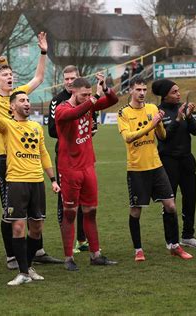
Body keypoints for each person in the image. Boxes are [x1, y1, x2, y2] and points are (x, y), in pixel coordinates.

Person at [0, 32, 61, 268]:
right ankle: (11, 255)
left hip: (28, 159)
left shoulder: (20, 96)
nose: (10, 77)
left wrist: (43, 52)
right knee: (10, 211)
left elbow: (39, 77)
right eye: (5, 75)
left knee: (34, 211)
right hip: (6, 159)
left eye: (11, 74)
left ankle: (36, 251)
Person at [0, 77, 60, 286]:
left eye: (28, 100)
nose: (27, 103)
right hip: (16, 182)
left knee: (36, 228)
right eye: (22, 100)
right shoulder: (7, 126)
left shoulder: (36, 127)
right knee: (18, 227)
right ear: (12, 107)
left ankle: (27, 268)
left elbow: (43, 153)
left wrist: (52, 179)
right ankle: (22, 272)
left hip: (37, 182)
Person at [117, 78, 193, 261]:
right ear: (131, 91)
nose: (142, 93)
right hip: (137, 168)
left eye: (144, 89)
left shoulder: (152, 108)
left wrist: (159, 122)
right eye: (138, 90)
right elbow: (128, 138)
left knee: (170, 205)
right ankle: (138, 250)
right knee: (136, 210)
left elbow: (162, 135)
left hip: (156, 166)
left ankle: (175, 246)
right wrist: (151, 125)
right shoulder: (123, 113)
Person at [55, 75, 118, 271]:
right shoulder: (61, 109)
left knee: (91, 211)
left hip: (88, 166)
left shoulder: (88, 103)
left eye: (90, 94)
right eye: (84, 94)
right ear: (73, 91)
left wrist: (105, 89)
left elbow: (113, 101)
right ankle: (68, 257)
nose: (88, 97)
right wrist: (93, 99)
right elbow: (74, 114)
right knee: (70, 213)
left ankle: (95, 254)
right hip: (70, 168)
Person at [48, 65, 99, 254]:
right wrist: (72, 130)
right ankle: (68, 250)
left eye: (72, 78)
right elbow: (53, 130)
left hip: (84, 154)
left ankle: (82, 240)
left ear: (78, 80)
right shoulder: (58, 102)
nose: (69, 82)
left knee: (87, 206)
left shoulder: (85, 96)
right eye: (66, 78)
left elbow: (95, 117)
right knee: (68, 206)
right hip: (65, 155)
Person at [152, 79, 196, 248]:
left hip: (187, 160)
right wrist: (178, 119)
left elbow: (195, 131)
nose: (178, 94)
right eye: (174, 92)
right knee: (169, 202)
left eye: (178, 91)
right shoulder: (159, 112)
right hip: (168, 161)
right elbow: (162, 137)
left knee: (190, 198)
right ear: (165, 96)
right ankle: (170, 239)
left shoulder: (183, 108)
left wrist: (188, 117)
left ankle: (188, 235)